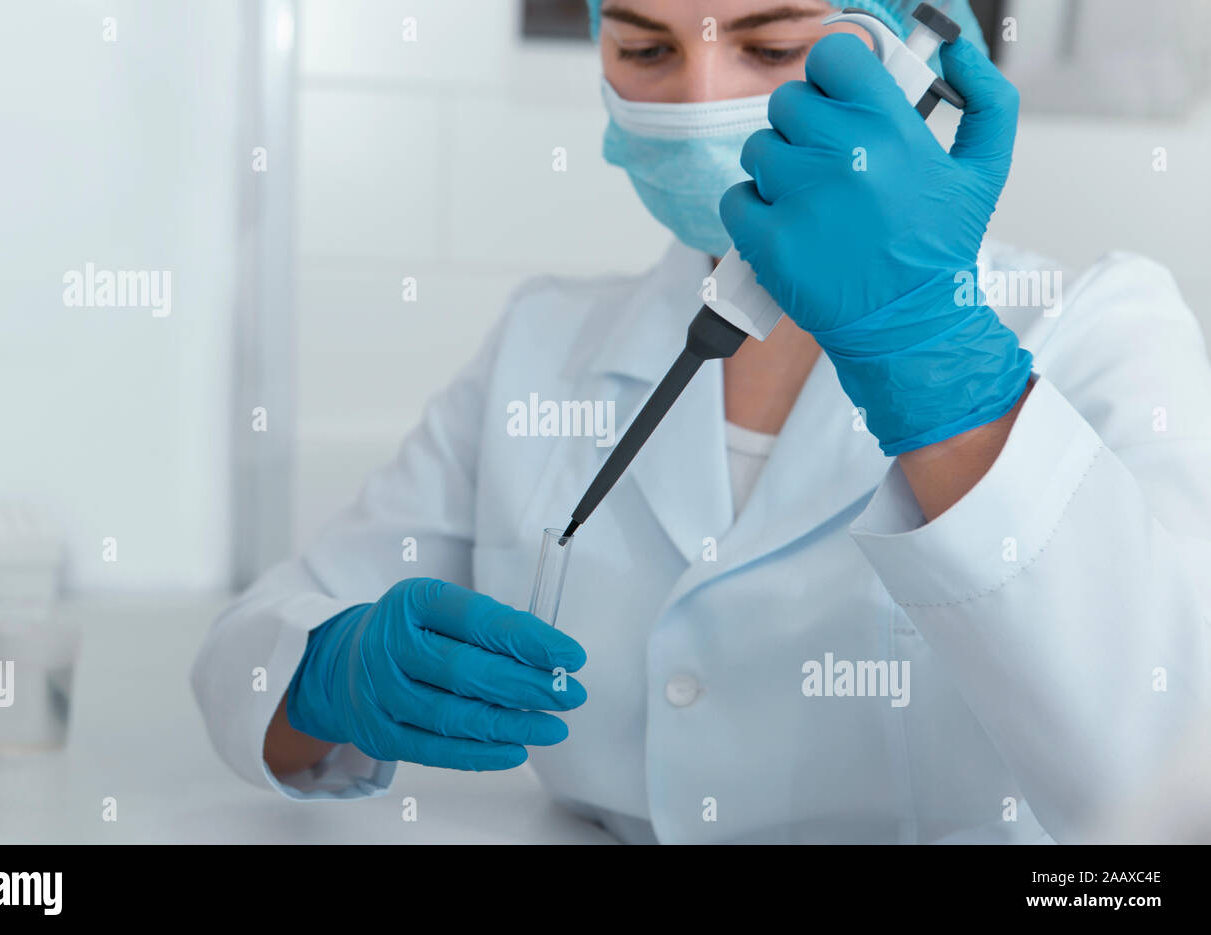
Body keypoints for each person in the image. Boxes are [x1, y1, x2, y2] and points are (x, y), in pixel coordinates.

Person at [191, 0, 1211, 844]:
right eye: (644, 47)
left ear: (918, 59)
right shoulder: (543, 344)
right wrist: (327, 669)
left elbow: (1172, 782)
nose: (698, 95)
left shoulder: (1101, 330)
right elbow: (248, 651)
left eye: (770, 45)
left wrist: (934, 362)